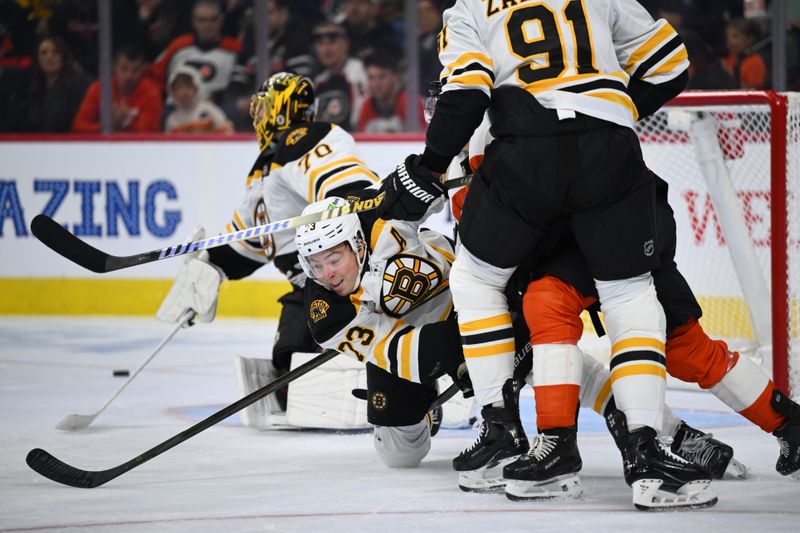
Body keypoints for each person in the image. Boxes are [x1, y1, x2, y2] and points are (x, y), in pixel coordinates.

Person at [377, 0, 712, 511]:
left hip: (527, 152)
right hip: (610, 151)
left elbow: (466, 93)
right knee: (629, 291)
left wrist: (428, 167)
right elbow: (671, 65)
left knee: (476, 279)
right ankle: (648, 455)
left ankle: (501, 432)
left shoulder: (469, 7)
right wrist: (610, 110)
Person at [156, 72, 380, 408]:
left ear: (280, 110)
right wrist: (210, 267)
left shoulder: (307, 139)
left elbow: (352, 189)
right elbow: (250, 243)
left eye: (263, 108)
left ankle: (390, 385)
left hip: (346, 285)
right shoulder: (265, 172)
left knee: (307, 380)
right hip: (310, 289)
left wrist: (346, 210)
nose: (256, 116)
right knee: (288, 381)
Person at [146, 0, 242, 104]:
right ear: (194, 22)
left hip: (219, 109)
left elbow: (241, 82)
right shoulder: (178, 45)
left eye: (213, 20)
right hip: (176, 110)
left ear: (221, 22)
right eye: (202, 20)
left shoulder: (234, 48)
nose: (208, 25)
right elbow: (154, 75)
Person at [71, 44, 162, 133]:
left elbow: (149, 134)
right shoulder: (99, 88)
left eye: (135, 70)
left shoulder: (151, 92)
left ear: (143, 70)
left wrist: (127, 123)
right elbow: (78, 126)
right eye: (124, 69)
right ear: (114, 67)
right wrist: (107, 127)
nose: (129, 75)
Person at [12, 36, 92, 133]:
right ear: (37, 59)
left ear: (64, 57)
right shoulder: (32, 87)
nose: (49, 57)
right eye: (43, 53)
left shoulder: (78, 84)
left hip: (68, 144)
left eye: (56, 52)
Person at [312, 20, 368, 131]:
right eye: (321, 43)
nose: (326, 49)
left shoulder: (357, 73)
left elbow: (359, 121)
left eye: (332, 42)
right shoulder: (319, 81)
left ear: (346, 44)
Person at [357, 51, 425, 133]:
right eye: (371, 78)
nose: (376, 84)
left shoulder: (410, 104)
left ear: (394, 77)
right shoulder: (366, 106)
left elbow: (420, 139)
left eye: (382, 77)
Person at [164, 65, 233, 133]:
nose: (184, 92)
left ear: (197, 89)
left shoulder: (209, 111)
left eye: (188, 87)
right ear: (173, 92)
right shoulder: (172, 120)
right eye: (179, 88)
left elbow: (227, 133)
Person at [723, 17, 768, 89]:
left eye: (735, 36)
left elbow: (754, 91)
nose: (730, 41)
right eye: (727, 37)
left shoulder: (755, 61)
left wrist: (729, 79)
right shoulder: (725, 60)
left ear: (749, 39)